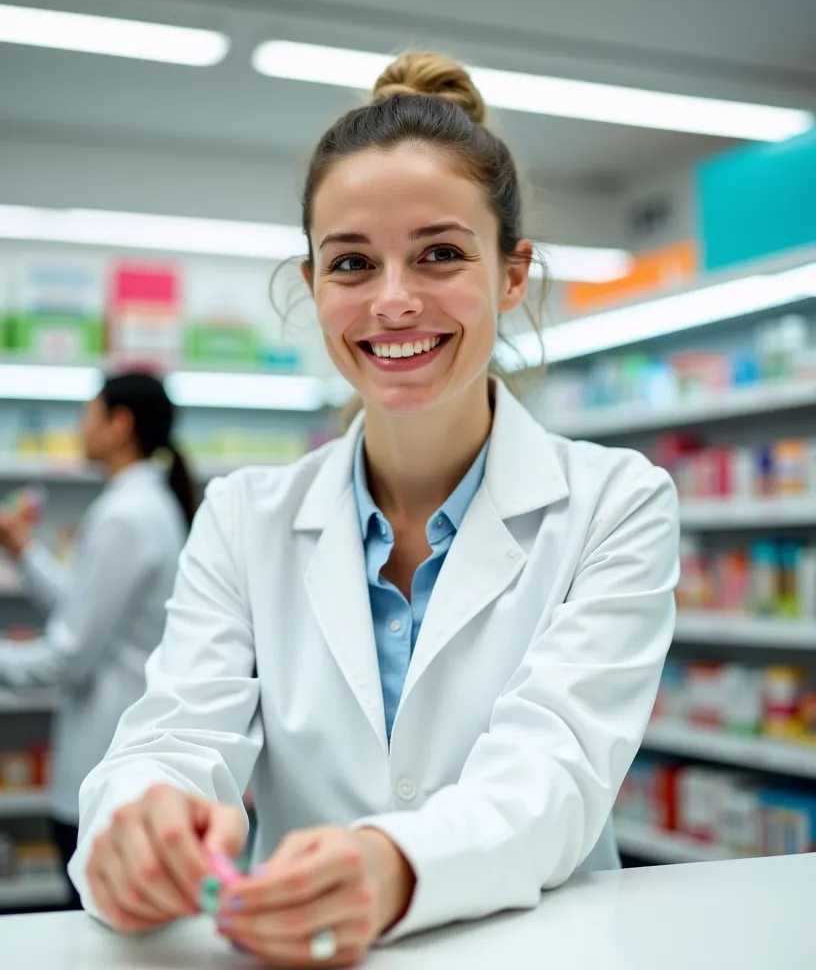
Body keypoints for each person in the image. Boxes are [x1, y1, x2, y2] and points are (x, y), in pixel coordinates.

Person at [69, 53, 679, 965]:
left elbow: (555, 770)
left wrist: (392, 865)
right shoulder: (243, 518)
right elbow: (175, 735)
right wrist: (134, 821)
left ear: (513, 276)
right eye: (352, 262)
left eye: (440, 253)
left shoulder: (615, 503)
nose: (393, 301)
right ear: (312, 284)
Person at [0, 372, 195, 908]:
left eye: (86, 415)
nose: (78, 428)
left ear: (119, 424)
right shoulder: (141, 506)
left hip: (104, 756)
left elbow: (68, 656)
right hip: (115, 751)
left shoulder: (125, 515)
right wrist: (24, 553)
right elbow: (86, 610)